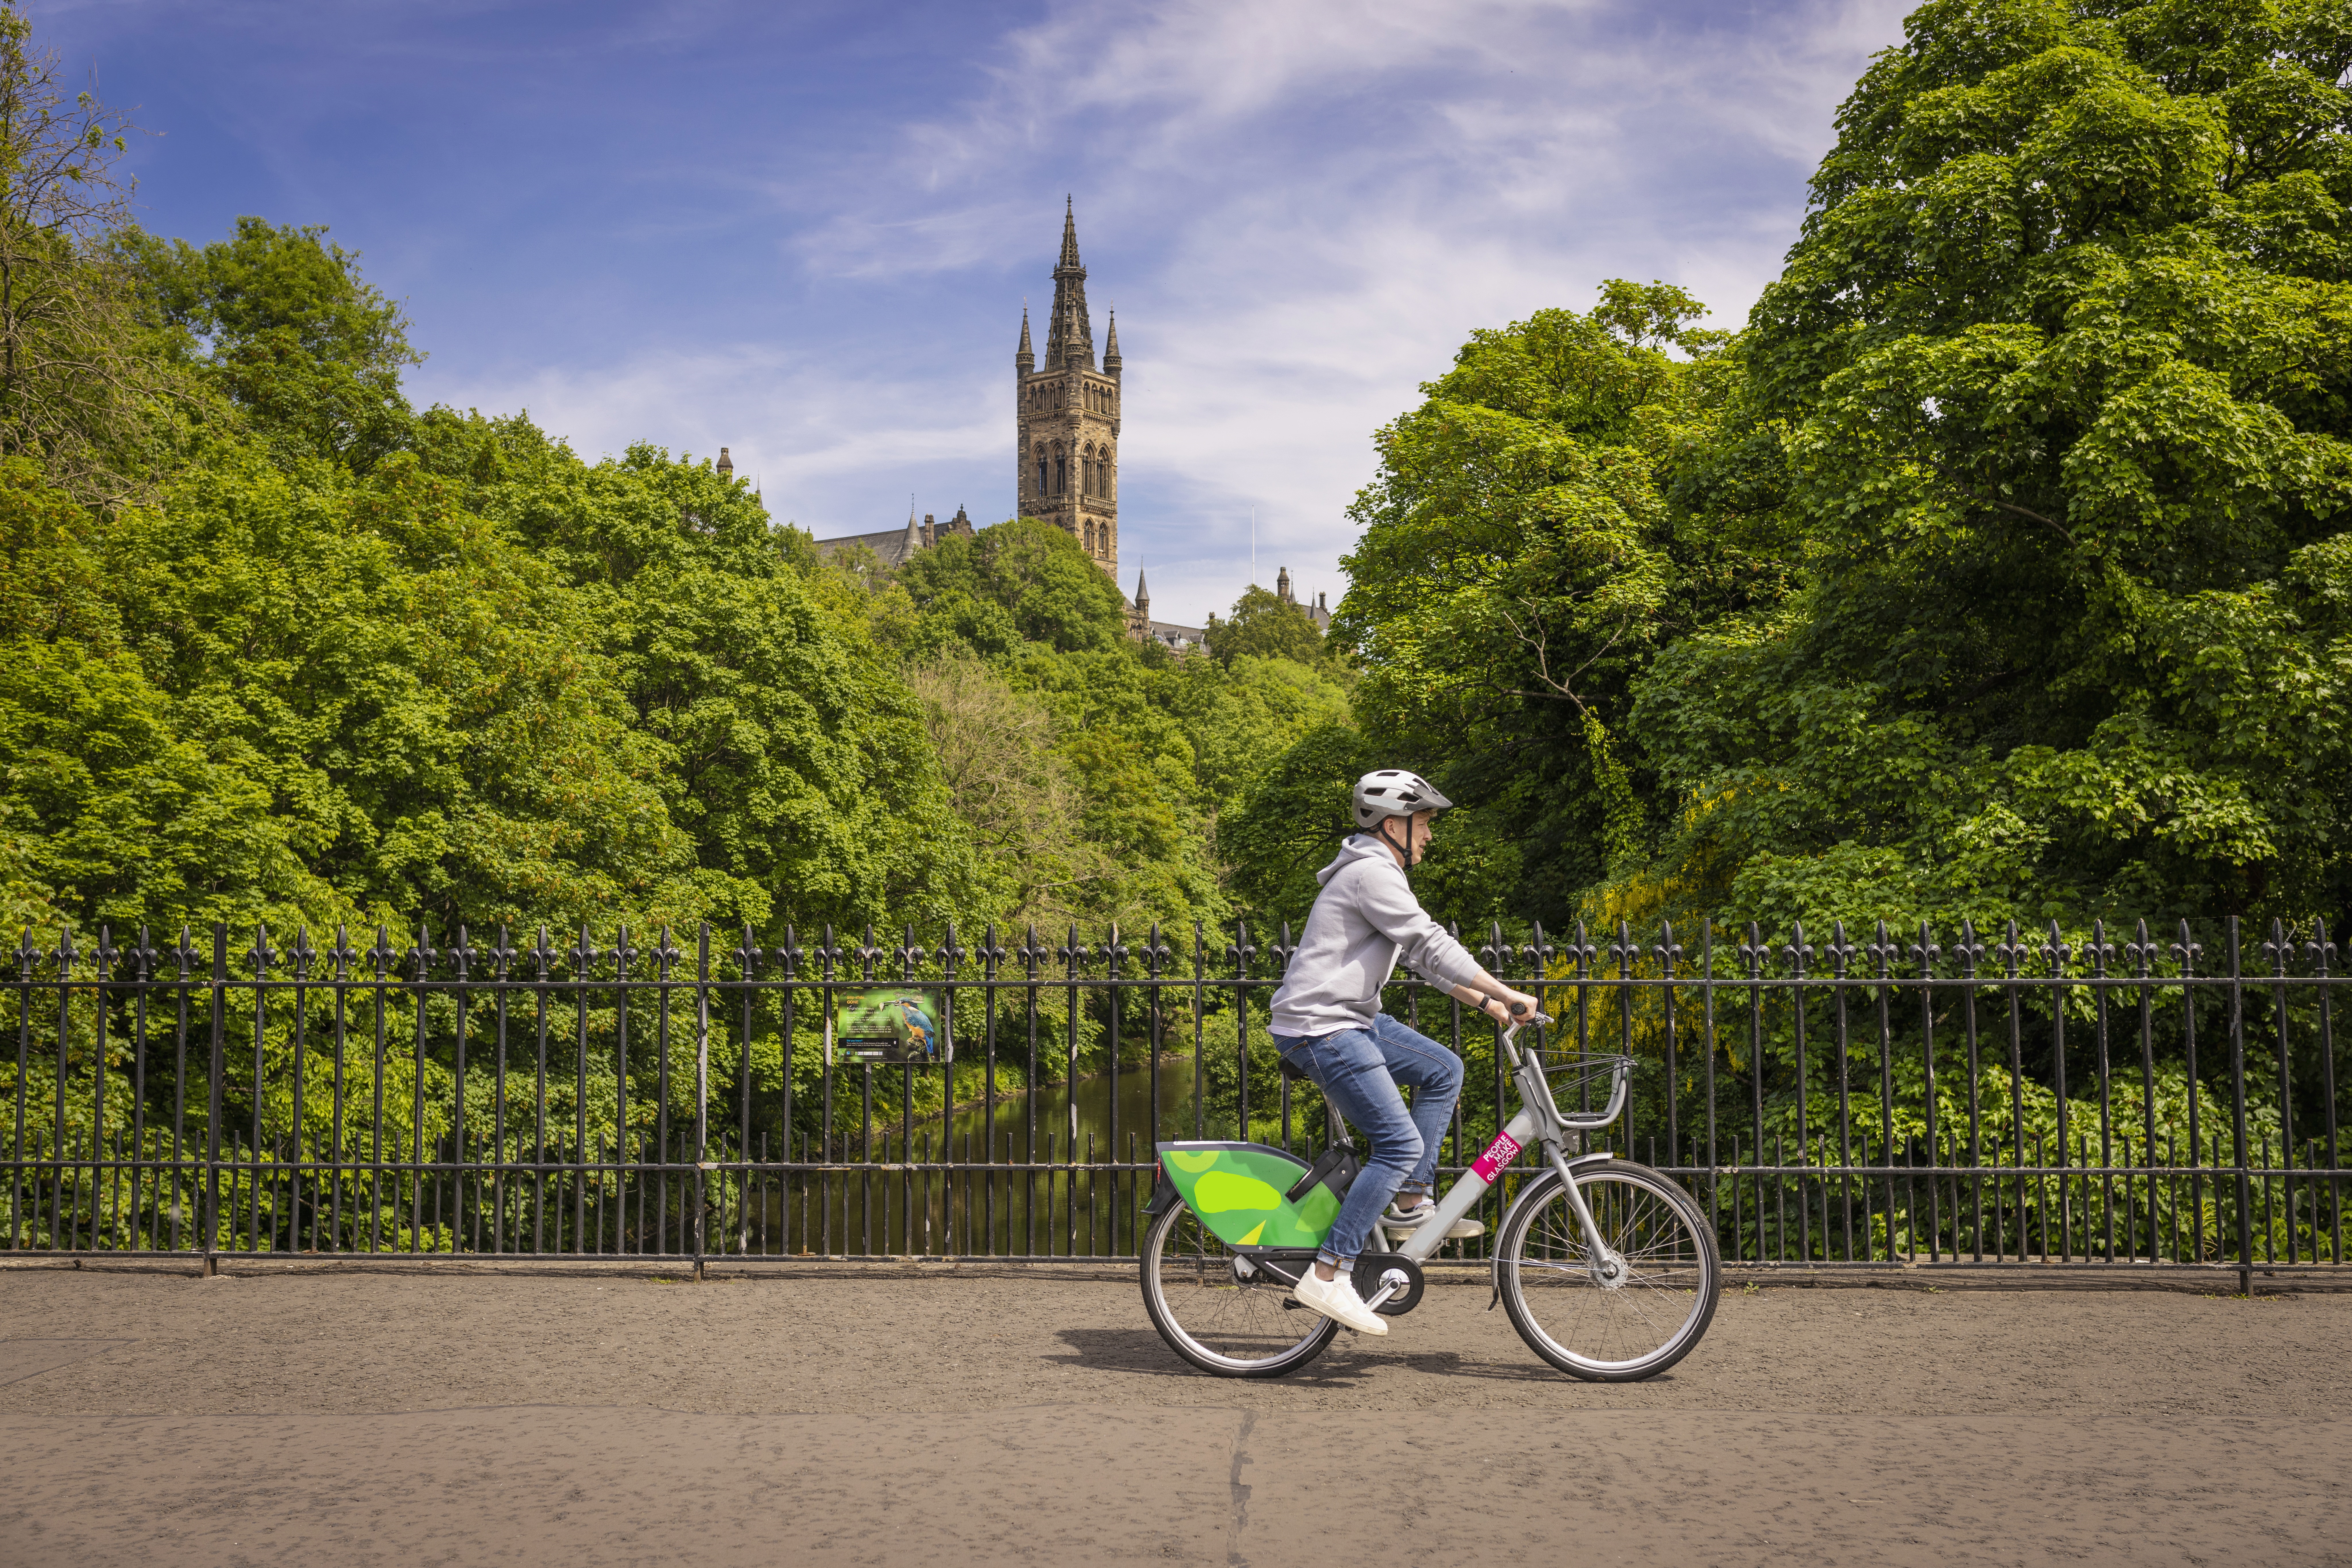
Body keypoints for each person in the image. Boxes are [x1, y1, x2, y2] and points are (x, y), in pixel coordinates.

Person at [1266, 769, 1542, 1335]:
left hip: (1349, 1018)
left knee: (1443, 1069)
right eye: (1424, 823)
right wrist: (1507, 991)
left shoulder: (1374, 871)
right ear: (1393, 824)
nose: (1429, 836)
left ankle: (1409, 1199)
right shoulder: (1371, 873)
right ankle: (1329, 1271)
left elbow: (1419, 959)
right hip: (1323, 1026)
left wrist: (1484, 1003)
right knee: (1396, 1143)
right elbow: (1429, 942)